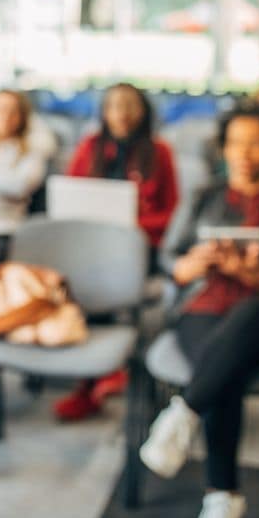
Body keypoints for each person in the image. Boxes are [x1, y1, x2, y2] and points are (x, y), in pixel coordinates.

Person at [139, 103, 259, 518]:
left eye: (256, 143)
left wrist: (258, 276)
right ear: (223, 148)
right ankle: (223, 498)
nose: (244, 153)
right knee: (224, 366)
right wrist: (191, 266)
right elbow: (169, 259)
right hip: (205, 307)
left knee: (249, 316)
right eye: (236, 142)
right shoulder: (202, 198)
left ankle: (184, 413)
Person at [54, 83, 179, 421]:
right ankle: (90, 379)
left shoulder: (160, 153)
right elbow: (70, 198)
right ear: (104, 112)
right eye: (114, 106)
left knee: (117, 280)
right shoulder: (89, 148)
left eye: (130, 106)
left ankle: (112, 371)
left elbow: (172, 215)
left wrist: (131, 224)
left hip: (140, 249)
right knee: (80, 279)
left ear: (143, 112)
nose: (122, 114)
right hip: (90, 247)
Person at [0, 89, 48, 263]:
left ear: (22, 117)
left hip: (6, 232)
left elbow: (19, 187)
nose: (5, 116)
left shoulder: (31, 152)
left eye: (12, 111)